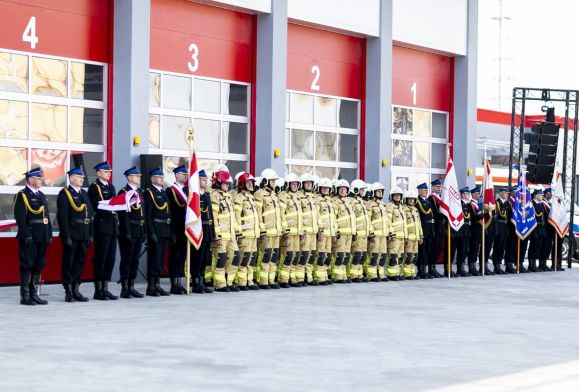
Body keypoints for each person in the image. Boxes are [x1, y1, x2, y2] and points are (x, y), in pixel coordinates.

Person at [14, 167, 52, 305]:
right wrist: (26, 234)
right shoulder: (22, 195)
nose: (41, 180)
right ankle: (24, 296)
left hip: (42, 236)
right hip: (29, 235)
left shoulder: (41, 195)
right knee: (27, 264)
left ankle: (33, 293)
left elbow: (46, 216)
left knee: (39, 264)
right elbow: (20, 218)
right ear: (30, 179)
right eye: (39, 178)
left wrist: (49, 233)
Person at [57, 167, 93, 302]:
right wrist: (66, 236)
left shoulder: (84, 193)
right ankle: (68, 290)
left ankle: (76, 288)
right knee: (69, 262)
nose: (82, 179)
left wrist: (90, 233)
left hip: (83, 232)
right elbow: (63, 216)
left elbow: (89, 214)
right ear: (71, 178)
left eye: (82, 177)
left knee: (80, 261)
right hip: (72, 232)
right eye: (79, 177)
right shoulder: (65, 193)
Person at [88, 161, 119, 300]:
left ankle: (105, 287)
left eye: (109, 171)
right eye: (106, 172)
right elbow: (96, 205)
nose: (108, 174)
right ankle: (98, 289)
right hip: (102, 225)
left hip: (112, 225)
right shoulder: (94, 187)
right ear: (99, 172)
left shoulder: (111, 187)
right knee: (101, 257)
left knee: (110, 258)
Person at [117, 166, 146, 299]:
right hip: (128, 230)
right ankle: (124, 287)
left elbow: (143, 213)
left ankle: (132, 285)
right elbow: (123, 214)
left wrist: (144, 230)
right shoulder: (124, 192)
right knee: (127, 259)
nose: (138, 178)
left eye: (139, 176)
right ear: (129, 177)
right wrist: (126, 232)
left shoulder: (139, 192)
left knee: (135, 260)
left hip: (138, 230)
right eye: (136, 176)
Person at [210, 170, 241, 292]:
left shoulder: (228, 196)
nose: (228, 186)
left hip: (231, 235)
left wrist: (237, 233)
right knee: (221, 259)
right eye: (225, 184)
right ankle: (220, 283)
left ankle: (229, 281)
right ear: (218, 183)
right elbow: (214, 217)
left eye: (228, 184)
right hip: (221, 236)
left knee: (235, 257)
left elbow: (233, 217)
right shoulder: (214, 196)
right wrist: (216, 236)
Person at [144, 167, 172, 297]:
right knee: (154, 259)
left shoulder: (164, 192)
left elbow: (168, 213)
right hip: (156, 229)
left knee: (160, 259)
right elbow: (148, 215)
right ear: (152, 178)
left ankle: (157, 284)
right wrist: (151, 233)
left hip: (165, 229)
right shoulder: (149, 193)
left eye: (162, 177)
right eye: (159, 177)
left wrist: (170, 231)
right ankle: (151, 286)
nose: (161, 179)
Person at [254, 169, 283, 289]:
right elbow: (258, 214)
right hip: (266, 232)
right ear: (266, 181)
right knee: (265, 256)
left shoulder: (274, 194)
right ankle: (263, 280)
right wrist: (262, 230)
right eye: (272, 180)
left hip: (276, 232)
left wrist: (280, 229)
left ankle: (271, 280)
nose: (274, 183)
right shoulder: (259, 194)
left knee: (274, 256)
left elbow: (278, 214)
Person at [233, 172, 260, 290]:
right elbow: (237, 217)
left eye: (251, 182)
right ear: (242, 184)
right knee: (244, 259)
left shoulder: (251, 197)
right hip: (245, 234)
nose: (250, 185)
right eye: (248, 182)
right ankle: (242, 282)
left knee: (251, 258)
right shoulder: (239, 198)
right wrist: (238, 233)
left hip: (253, 234)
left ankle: (249, 281)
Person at [191, 170, 215, 293]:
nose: (206, 181)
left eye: (206, 179)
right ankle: (195, 282)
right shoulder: (195, 196)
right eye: (203, 179)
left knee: (205, 258)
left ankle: (201, 280)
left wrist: (213, 234)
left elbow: (211, 215)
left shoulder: (206, 195)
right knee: (197, 257)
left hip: (207, 229)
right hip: (198, 230)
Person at [166, 164, 189, 294]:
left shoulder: (187, 190)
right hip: (176, 227)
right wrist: (171, 231)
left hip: (185, 227)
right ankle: (173, 283)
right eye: (182, 174)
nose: (185, 176)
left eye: (186, 174)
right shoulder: (171, 191)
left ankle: (179, 281)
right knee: (175, 255)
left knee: (183, 255)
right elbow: (170, 212)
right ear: (176, 175)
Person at [277, 173, 303, 287]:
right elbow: (281, 214)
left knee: (295, 256)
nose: (295, 186)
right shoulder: (283, 196)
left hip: (297, 232)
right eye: (292, 184)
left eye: (296, 184)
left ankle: (292, 278)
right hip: (289, 232)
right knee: (287, 255)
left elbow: (300, 215)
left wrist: (301, 231)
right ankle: (284, 279)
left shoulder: (297, 196)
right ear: (287, 184)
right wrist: (285, 229)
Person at [333, 179, 356, 283]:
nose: (342, 191)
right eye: (340, 189)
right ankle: (338, 276)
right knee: (340, 254)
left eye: (344, 189)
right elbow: (333, 218)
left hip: (349, 233)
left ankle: (343, 274)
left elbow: (353, 218)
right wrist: (335, 231)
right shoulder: (335, 202)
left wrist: (354, 232)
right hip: (341, 234)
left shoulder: (350, 202)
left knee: (346, 255)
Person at [315, 178, 337, 285]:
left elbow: (333, 218)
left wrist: (334, 233)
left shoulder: (330, 201)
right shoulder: (317, 200)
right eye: (323, 188)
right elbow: (317, 216)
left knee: (328, 256)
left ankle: (325, 275)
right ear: (320, 189)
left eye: (327, 188)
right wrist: (319, 230)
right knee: (321, 255)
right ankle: (319, 277)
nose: (325, 190)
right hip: (322, 233)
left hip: (330, 233)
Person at [349, 179, 371, 283]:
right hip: (358, 233)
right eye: (362, 189)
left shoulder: (362, 202)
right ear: (356, 189)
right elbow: (352, 218)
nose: (363, 192)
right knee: (356, 254)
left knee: (362, 254)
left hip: (364, 233)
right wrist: (354, 232)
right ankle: (353, 275)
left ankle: (359, 274)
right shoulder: (351, 201)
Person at [299, 173, 320, 285]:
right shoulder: (299, 196)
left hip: (314, 231)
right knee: (304, 254)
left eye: (310, 183)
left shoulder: (314, 197)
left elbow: (317, 215)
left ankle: (310, 277)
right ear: (302, 184)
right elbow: (298, 215)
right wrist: (301, 230)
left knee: (312, 255)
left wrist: (320, 229)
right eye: (307, 183)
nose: (308, 184)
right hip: (305, 231)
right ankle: (302, 277)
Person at [416, 183, 438, 279]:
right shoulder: (417, 202)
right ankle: (421, 270)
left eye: (426, 190)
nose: (425, 192)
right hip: (423, 228)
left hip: (430, 229)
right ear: (419, 191)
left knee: (429, 250)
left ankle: (427, 270)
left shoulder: (428, 201)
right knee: (422, 251)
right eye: (423, 190)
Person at [429, 178, 450, 276]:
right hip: (436, 225)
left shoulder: (441, 198)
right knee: (435, 247)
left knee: (440, 247)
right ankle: (431, 268)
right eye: (437, 186)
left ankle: (435, 267)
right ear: (433, 187)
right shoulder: (431, 198)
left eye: (440, 187)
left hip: (442, 225)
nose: (439, 188)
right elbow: (436, 212)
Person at [451, 187, 473, 277]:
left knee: (464, 250)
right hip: (459, 229)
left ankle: (461, 268)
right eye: (467, 194)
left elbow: (471, 216)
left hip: (467, 230)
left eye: (469, 194)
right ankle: (449, 268)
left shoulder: (468, 205)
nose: (468, 196)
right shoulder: (458, 204)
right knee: (454, 249)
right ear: (463, 194)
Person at [386, 187, 407, 280]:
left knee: (400, 256)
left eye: (399, 195)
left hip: (402, 236)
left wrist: (406, 236)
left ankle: (397, 273)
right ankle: (391, 274)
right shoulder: (390, 206)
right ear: (392, 196)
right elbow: (388, 221)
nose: (398, 197)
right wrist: (391, 232)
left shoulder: (401, 207)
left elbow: (404, 223)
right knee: (393, 256)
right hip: (394, 236)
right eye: (396, 195)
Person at [403, 190, 422, 279]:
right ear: (406, 200)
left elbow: (419, 224)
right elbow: (403, 224)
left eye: (412, 199)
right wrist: (405, 236)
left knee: (415, 256)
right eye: (409, 199)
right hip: (409, 237)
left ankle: (412, 273)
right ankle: (407, 274)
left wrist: (421, 236)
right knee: (408, 256)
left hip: (416, 237)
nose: (411, 201)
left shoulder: (416, 210)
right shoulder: (403, 209)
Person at [528, 189, 548, 272]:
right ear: (536, 195)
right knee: (533, 246)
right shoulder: (531, 204)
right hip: (535, 227)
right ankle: (531, 264)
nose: (542, 196)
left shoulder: (542, 205)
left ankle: (535, 264)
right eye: (540, 195)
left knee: (538, 246)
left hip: (541, 227)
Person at [492, 187, 510, 274]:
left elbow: (509, 216)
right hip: (499, 226)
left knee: (502, 247)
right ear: (501, 193)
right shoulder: (496, 203)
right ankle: (496, 265)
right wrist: (496, 230)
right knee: (497, 246)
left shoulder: (507, 204)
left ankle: (499, 263)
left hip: (505, 227)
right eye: (505, 193)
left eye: (507, 193)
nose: (507, 194)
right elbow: (495, 217)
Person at [468, 187, 483, 276]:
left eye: (479, 193)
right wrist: (482, 216)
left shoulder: (479, 204)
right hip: (474, 229)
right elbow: (473, 216)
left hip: (479, 229)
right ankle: (471, 267)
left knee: (477, 248)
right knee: (473, 248)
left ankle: (474, 265)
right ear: (473, 194)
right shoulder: (471, 204)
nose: (478, 195)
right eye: (477, 194)